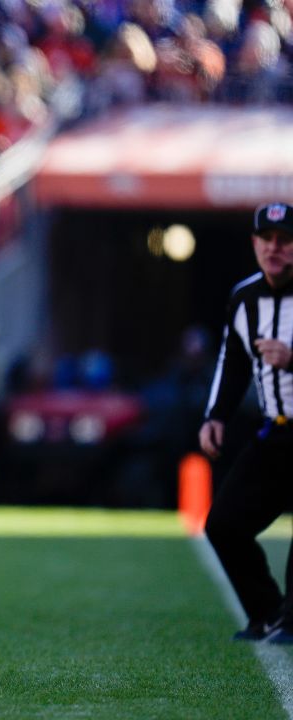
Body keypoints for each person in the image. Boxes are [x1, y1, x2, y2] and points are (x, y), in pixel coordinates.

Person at [201, 202, 293, 643]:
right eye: (267, 239)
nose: (274, 249)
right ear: (254, 243)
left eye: (285, 240)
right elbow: (233, 359)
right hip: (276, 430)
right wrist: (215, 415)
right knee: (224, 525)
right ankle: (268, 613)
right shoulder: (245, 298)